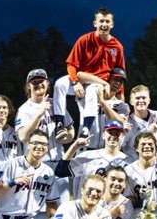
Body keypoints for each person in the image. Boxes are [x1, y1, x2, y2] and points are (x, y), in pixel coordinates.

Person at [53, 8, 125, 140]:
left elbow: (120, 71)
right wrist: (74, 82)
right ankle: (59, 124)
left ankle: (86, 128)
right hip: (81, 78)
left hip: (99, 82)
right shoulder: (84, 40)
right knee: (59, 84)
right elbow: (71, 64)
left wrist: (121, 93)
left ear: (112, 24)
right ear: (95, 23)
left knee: (92, 91)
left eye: (107, 21)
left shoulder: (117, 46)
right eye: (101, 21)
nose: (104, 24)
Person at [15, 69, 74, 204]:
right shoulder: (24, 109)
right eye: (34, 82)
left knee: (63, 208)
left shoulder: (56, 104)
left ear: (47, 83)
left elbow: (71, 129)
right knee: (39, 208)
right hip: (38, 165)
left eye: (41, 81)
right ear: (28, 86)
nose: (38, 84)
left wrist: (66, 138)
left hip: (60, 161)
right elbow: (23, 137)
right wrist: (39, 114)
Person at [55, 119, 130, 199]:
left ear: (122, 136)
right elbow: (60, 172)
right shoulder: (87, 156)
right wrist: (74, 147)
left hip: (115, 208)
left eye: (117, 133)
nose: (113, 136)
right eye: (110, 133)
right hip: (89, 207)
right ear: (103, 135)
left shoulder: (129, 162)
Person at [122, 85, 157, 160]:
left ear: (149, 100)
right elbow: (121, 146)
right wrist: (124, 133)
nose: (141, 101)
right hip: (134, 163)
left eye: (144, 98)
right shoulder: (127, 121)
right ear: (131, 101)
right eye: (137, 98)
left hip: (156, 161)